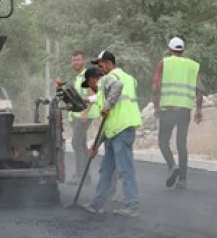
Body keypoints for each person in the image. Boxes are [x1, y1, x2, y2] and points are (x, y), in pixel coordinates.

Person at [82, 51, 143, 217]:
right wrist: (96, 145)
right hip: (116, 129)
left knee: (125, 169)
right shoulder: (128, 77)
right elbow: (107, 118)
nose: (99, 69)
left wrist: (107, 106)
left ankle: (133, 205)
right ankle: (98, 203)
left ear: (109, 63)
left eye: (100, 65)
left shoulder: (111, 77)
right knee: (107, 169)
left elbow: (116, 89)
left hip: (121, 129)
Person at [153, 37, 204, 190]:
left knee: (163, 141)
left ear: (169, 49)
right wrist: (199, 109)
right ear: (183, 50)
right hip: (185, 111)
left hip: (168, 110)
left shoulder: (164, 62)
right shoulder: (193, 66)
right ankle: (182, 180)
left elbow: (155, 87)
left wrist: (156, 107)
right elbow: (199, 89)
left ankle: (172, 165)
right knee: (182, 144)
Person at [67, 50, 101, 185]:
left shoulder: (87, 75)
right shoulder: (78, 76)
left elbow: (91, 93)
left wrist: (85, 114)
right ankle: (86, 177)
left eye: (78, 60)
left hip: (84, 115)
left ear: (83, 60)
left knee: (76, 143)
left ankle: (79, 174)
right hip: (77, 116)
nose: (76, 62)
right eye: (74, 60)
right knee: (80, 144)